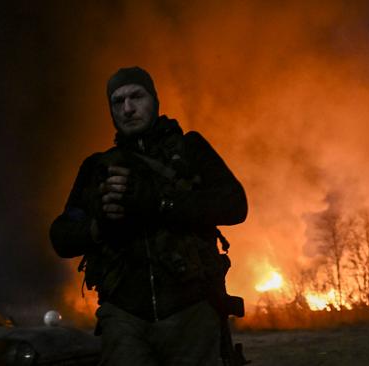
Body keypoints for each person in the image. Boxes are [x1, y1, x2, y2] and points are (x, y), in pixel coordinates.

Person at [50, 66, 248, 366]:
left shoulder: (190, 149)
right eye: (118, 102)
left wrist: (160, 202)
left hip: (191, 311)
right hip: (125, 319)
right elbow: (61, 236)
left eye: (136, 96)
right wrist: (99, 225)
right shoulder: (97, 167)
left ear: (154, 100)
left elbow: (235, 205)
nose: (128, 108)